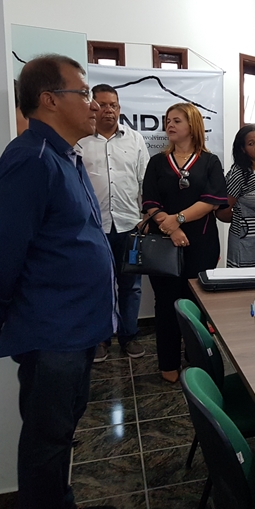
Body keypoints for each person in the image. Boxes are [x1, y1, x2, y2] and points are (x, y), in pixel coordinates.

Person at [0, 55, 116, 509]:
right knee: (45, 441)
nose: (94, 104)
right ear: (49, 100)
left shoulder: (64, 157)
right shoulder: (31, 159)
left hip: (73, 330)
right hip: (52, 331)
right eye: (84, 93)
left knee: (59, 435)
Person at [142, 103, 227, 382]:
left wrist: (177, 220)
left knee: (197, 303)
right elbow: (150, 202)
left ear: (192, 125)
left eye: (176, 120)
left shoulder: (210, 162)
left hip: (201, 244)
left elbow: (212, 202)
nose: (169, 125)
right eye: (167, 121)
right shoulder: (157, 162)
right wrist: (171, 229)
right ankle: (168, 363)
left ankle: (197, 359)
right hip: (164, 245)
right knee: (166, 304)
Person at [78, 84, 149, 362]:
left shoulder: (135, 140)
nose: (109, 109)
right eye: (103, 104)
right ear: (92, 106)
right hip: (93, 229)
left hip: (130, 226)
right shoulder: (80, 140)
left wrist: (146, 218)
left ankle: (129, 336)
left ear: (119, 108)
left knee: (131, 286)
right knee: (98, 286)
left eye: (114, 105)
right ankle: (100, 339)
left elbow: (145, 182)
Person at [215, 124, 255, 267]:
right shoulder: (238, 173)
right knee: (246, 285)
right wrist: (244, 221)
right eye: (251, 144)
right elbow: (221, 212)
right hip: (246, 242)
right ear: (243, 149)